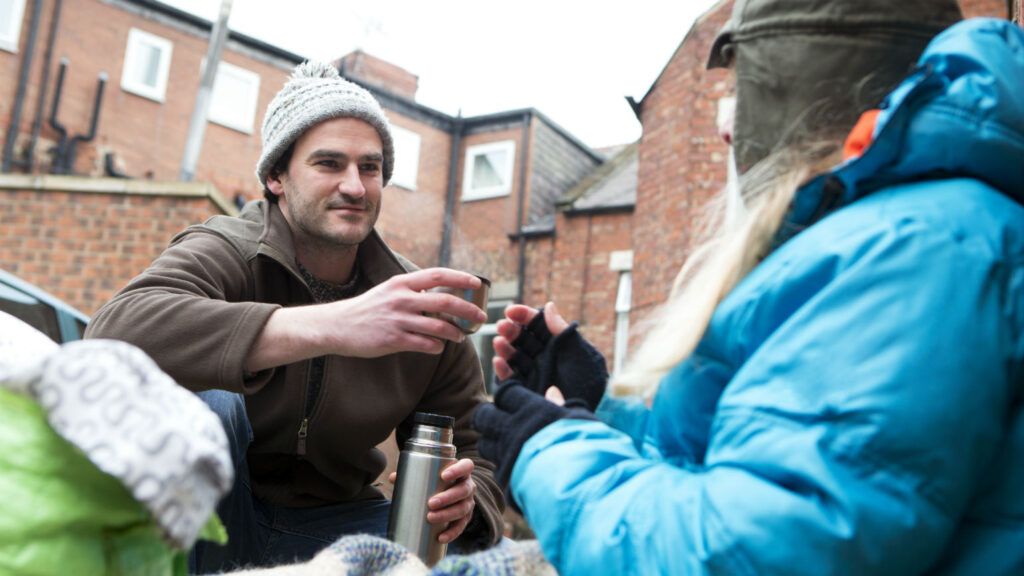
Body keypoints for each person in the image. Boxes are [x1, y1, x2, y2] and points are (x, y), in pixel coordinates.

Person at [473, 1, 1024, 574]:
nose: (727, 128)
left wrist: (549, 452)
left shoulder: (915, 247)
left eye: (745, 89)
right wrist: (601, 409)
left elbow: (758, 555)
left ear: (802, 90)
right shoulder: (913, 232)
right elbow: (753, 467)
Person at [85, 61, 504, 572]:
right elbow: (114, 331)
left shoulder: (415, 300)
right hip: (211, 515)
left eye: (369, 168)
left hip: (342, 525)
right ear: (275, 177)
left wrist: (469, 501)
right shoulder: (228, 249)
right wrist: (333, 325)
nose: (355, 186)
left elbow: (476, 447)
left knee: (477, 565)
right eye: (329, 164)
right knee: (212, 399)